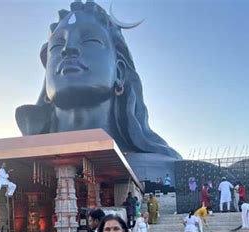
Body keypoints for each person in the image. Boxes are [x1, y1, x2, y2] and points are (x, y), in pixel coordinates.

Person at [15, 0, 181, 170]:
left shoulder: (171, 169)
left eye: (90, 41)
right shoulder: (17, 165)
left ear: (119, 73)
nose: (68, 48)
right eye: (57, 45)